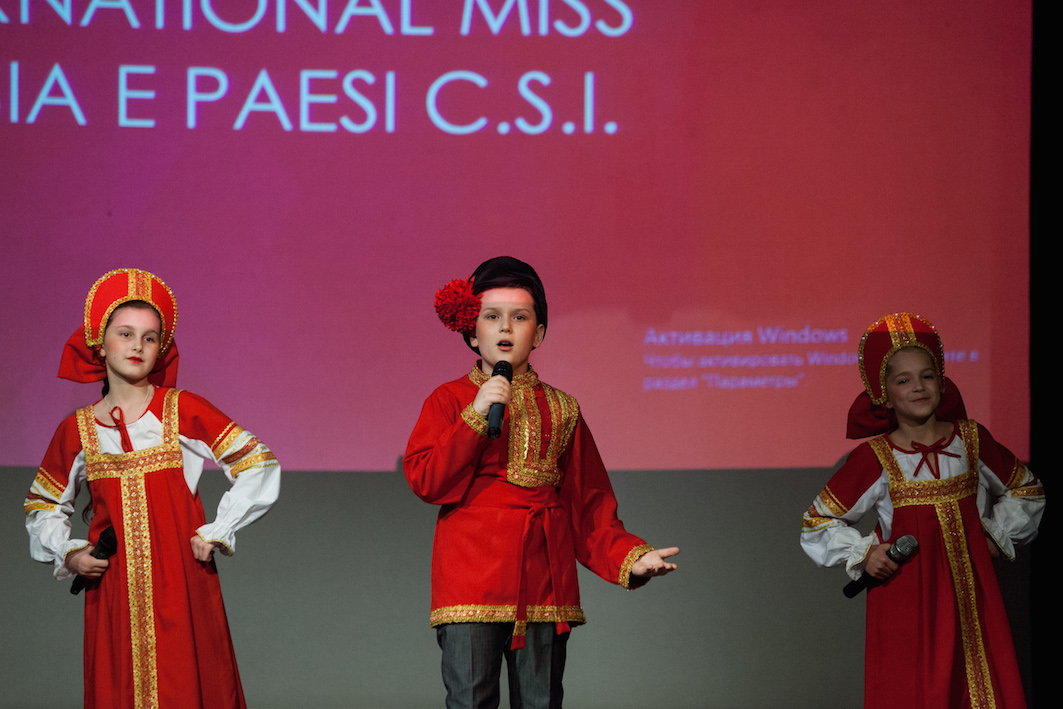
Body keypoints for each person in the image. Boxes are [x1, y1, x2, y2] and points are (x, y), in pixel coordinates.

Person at [404, 256, 679, 709]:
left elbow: (588, 506)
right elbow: (426, 480)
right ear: (471, 333)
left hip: (544, 580)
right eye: (492, 316)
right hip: (471, 577)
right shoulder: (449, 399)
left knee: (541, 702)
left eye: (520, 317)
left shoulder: (563, 408)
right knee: (470, 701)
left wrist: (632, 557)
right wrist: (476, 414)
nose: (505, 327)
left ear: (539, 333)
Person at [25, 268, 281, 709]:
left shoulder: (181, 410)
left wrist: (218, 529)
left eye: (149, 337)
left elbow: (258, 461)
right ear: (99, 343)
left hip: (181, 583)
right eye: (125, 334)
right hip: (113, 593)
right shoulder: (77, 431)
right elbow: (42, 505)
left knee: (187, 684)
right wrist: (70, 553)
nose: (137, 346)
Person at [800, 312, 1043, 709]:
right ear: (883, 394)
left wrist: (995, 536)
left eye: (927, 376)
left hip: (972, 599)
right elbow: (816, 522)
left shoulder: (971, 440)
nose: (918, 387)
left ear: (942, 382)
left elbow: (1027, 490)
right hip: (908, 604)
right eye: (903, 380)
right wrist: (865, 553)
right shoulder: (875, 456)